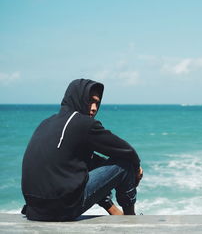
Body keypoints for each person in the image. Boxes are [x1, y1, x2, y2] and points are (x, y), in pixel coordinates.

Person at [21, 78, 143, 221]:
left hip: (35, 209)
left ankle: (113, 210)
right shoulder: (83, 123)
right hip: (63, 209)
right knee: (125, 164)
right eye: (90, 101)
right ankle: (130, 219)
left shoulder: (47, 122)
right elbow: (126, 151)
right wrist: (136, 169)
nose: (94, 108)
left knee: (87, 163)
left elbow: (86, 162)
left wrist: (108, 173)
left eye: (97, 103)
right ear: (77, 98)